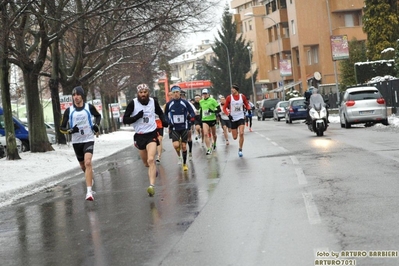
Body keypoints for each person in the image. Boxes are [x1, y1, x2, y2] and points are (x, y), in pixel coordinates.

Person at [123, 83, 167, 197]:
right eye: (141, 93)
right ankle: (153, 170)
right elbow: (125, 120)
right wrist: (136, 116)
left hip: (151, 133)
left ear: (148, 92)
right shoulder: (133, 103)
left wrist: (164, 120)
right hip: (139, 135)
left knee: (151, 159)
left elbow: (160, 113)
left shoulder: (153, 102)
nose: (143, 94)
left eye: (145, 92)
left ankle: (151, 186)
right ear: (138, 93)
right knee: (146, 163)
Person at [60, 85, 101, 201]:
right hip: (76, 141)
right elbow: (61, 128)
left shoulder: (89, 107)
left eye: (78, 94)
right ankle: (89, 175)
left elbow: (98, 116)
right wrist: (70, 130)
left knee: (88, 162)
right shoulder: (69, 111)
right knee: (83, 166)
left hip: (88, 138)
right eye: (74, 95)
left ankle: (89, 192)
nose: (76, 97)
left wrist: (96, 126)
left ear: (82, 96)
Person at [164, 86, 196, 171]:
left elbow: (192, 112)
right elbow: (165, 114)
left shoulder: (185, 102)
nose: (176, 94)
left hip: (184, 127)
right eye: (174, 93)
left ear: (180, 93)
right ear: (171, 94)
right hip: (174, 127)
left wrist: (190, 117)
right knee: (176, 145)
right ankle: (179, 156)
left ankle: (185, 164)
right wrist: (168, 121)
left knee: (184, 146)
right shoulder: (169, 104)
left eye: (177, 92)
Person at [222, 83, 251, 157]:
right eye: (231, 88)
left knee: (241, 133)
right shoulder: (229, 97)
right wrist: (228, 115)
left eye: (233, 88)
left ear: (236, 90)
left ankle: (240, 149)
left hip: (241, 117)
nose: (232, 90)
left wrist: (248, 109)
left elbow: (246, 104)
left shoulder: (242, 96)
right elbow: (224, 108)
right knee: (235, 137)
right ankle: (236, 132)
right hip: (233, 118)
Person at [199, 88, 221, 155]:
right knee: (205, 134)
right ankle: (208, 149)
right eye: (203, 94)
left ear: (208, 94)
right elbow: (201, 110)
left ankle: (214, 143)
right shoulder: (201, 101)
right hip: (204, 120)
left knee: (214, 134)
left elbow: (219, 110)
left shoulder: (213, 100)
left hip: (212, 119)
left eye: (206, 94)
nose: (205, 95)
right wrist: (200, 119)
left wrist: (212, 111)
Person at [180, 90, 197, 160]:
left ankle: (190, 151)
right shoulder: (174, 103)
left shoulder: (187, 103)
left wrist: (190, 115)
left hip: (187, 122)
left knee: (189, 137)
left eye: (183, 96)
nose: (182, 97)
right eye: (181, 95)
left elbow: (194, 111)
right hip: (178, 124)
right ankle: (183, 153)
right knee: (181, 140)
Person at [153, 97, 164, 163]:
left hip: (160, 126)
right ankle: (153, 154)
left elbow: (163, 117)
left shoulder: (160, 108)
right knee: (153, 141)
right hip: (152, 126)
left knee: (159, 140)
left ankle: (159, 156)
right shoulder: (148, 108)